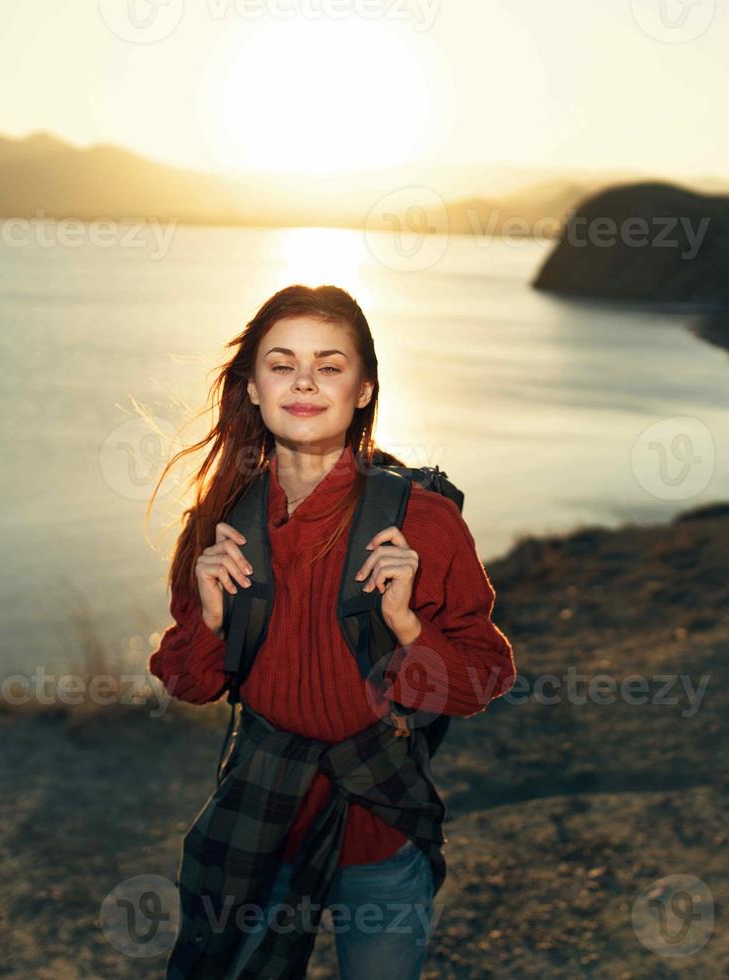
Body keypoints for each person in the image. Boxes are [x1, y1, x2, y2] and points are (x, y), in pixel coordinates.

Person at [146, 284, 517, 979]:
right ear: (253, 388)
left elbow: (484, 676)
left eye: (331, 364)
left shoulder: (423, 523)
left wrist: (407, 623)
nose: (305, 382)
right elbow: (187, 682)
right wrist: (214, 615)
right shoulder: (222, 521)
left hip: (381, 819)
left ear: (364, 388)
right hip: (262, 819)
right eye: (282, 364)